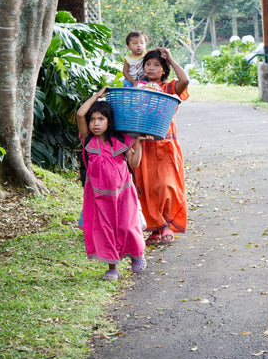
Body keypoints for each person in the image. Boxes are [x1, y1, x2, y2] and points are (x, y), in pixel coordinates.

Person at [77, 87, 154, 280]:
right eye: (93, 119)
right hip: (98, 195)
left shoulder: (120, 140)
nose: (95, 123)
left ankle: (137, 254)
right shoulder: (88, 139)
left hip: (123, 192)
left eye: (101, 119)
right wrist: (96, 96)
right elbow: (80, 113)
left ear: (109, 121)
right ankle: (112, 268)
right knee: (105, 229)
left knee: (127, 226)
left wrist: (140, 144)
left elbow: (134, 163)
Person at [133, 48, 190, 245]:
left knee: (166, 186)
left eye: (156, 65)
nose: (151, 68)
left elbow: (186, 81)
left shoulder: (169, 88)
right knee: (146, 186)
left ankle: (166, 225)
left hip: (166, 144)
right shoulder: (137, 88)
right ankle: (154, 228)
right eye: (148, 64)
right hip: (143, 144)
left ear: (164, 70)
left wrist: (172, 59)